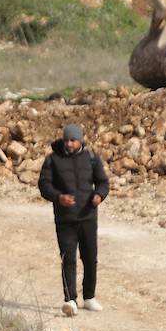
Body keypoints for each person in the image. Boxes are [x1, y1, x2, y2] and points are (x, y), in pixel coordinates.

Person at [38, 123, 110, 317]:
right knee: (68, 259)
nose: (69, 144)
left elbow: (103, 182)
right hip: (65, 220)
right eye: (66, 140)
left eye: (73, 140)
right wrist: (58, 197)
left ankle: (89, 297)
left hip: (88, 217)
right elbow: (44, 185)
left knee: (90, 259)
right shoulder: (53, 160)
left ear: (80, 140)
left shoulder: (92, 159)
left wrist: (99, 196)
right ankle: (70, 299)